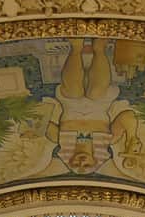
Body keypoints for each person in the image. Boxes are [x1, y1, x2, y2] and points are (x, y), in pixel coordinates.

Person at [54, 38, 139, 174]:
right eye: (87, 165)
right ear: (95, 161)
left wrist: (33, 131)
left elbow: (42, 123)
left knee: (73, 92)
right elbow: (128, 116)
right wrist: (132, 138)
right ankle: (99, 49)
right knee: (96, 93)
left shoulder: (58, 139)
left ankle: (76, 47)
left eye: (76, 164)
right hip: (99, 105)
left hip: (71, 105)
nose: (81, 162)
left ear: (69, 160)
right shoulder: (111, 139)